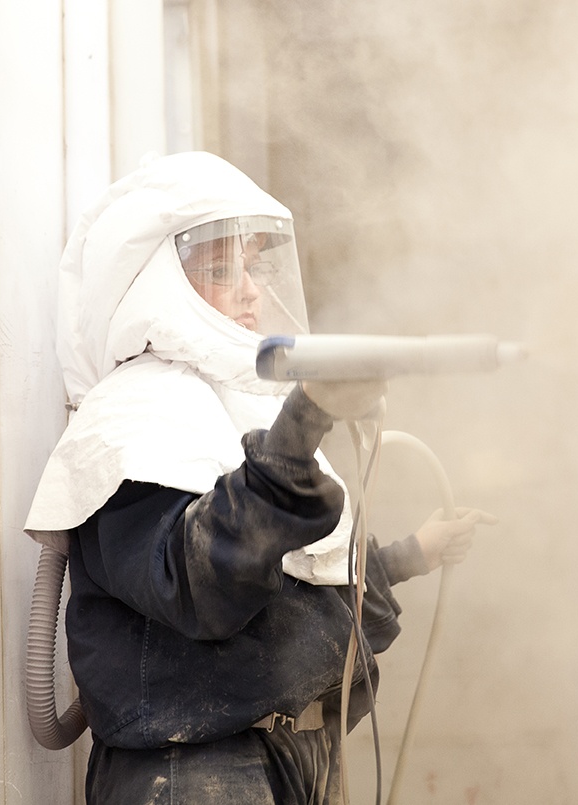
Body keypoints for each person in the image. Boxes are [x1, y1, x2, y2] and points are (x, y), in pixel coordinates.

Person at [24, 152, 494, 804]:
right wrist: (307, 419)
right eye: (222, 269)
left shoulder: (233, 402)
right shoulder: (134, 417)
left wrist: (412, 554)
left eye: (252, 265)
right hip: (194, 776)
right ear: (156, 284)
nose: (250, 290)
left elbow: (296, 583)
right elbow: (199, 580)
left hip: (284, 758)